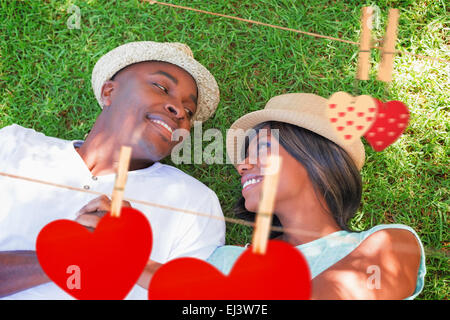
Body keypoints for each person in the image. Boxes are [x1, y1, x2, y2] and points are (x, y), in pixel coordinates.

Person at [0, 41, 225, 299]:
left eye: (189, 110)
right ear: (109, 91)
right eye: (161, 87)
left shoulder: (193, 203)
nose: (179, 111)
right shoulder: (13, 146)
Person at [207, 92, 426, 300]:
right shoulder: (223, 259)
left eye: (262, 149)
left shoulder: (392, 245)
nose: (242, 166)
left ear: (316, 159)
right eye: (245, 156)